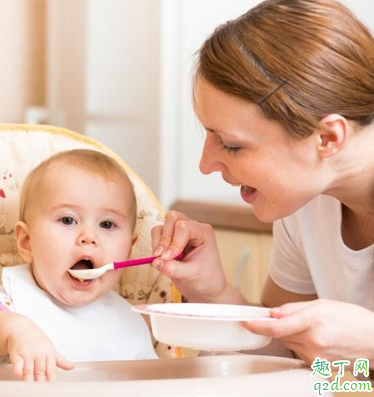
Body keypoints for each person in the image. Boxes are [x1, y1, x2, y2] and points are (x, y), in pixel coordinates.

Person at [151, 0, 374, 373]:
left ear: (327, 138)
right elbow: (289, 357)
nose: (206, 165)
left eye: (232, 145)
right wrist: (213, 292)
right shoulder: (305, 203)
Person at [0, 149, 157, 382]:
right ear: (26, 241)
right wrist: (15, 331)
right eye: (68, 220)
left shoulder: (129, 320)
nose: (89, 236)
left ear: (129, 249)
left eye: (107, 224)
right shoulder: (15, 301)